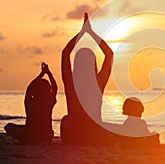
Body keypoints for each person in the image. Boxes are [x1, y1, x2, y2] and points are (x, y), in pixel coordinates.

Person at [60, 12, 115, 145]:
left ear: (76, 64)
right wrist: (90, 32)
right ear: (94, 65)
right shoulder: (98, 83)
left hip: (73, 136)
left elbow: (65, 52)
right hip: (93, 135)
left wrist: (82, 32)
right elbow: (109, 54)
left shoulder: (71, 83)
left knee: (65, 120)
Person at [4, 62, 57, 144]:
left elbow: (29, 87)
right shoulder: (49, 102)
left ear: (34, 92)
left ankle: (27, 139)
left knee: (8, 127)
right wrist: (48, 73)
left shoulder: (30, 102)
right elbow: (55, 87)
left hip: (31, 136)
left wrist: (40, 75)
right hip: (46, 136)